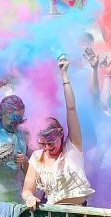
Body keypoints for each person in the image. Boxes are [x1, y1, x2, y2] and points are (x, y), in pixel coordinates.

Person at [21, 56, 94, 208]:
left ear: (60, 134)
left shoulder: (72, 146)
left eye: (50, 143)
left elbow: (71, 108)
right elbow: (28, 188)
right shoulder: (37, 157)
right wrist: (29, 197)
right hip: (52, 214)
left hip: (79, 213)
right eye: (42, 144)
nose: (46, 148)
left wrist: (64, 75)